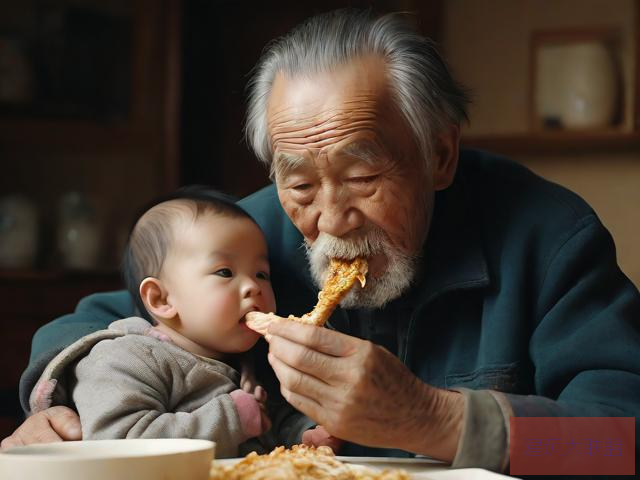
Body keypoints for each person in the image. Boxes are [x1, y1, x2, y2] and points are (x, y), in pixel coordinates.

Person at [4, 9, 640, 472]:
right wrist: (63, 413)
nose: (332, 222)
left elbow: (622, 439)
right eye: (300, 184)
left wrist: (433, 417)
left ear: (439, 154)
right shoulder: (251, 240)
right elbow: (102, 321)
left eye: (363, 177)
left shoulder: (548, 236)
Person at [22, 186, 327, 457]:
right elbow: (122, 443)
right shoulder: (126, 359)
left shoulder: (239, 362)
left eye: (262, 274)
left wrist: (302, 432)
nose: (253, 287)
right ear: (160, 300)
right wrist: (233, 417)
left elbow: (263, 421)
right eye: (225, 272)